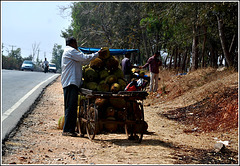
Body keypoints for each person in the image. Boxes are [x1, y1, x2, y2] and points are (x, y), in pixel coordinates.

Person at [61, 37, 106, 137]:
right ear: (73, 43)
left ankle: (70, 129)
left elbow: (84, 61)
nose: (77, 45)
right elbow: (84, 58)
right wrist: (97, 54)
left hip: (72, 83)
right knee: (70, 107)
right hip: (70, 83)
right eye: (76, 43)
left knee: (71, 107)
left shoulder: (70, 52)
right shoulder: (71, 51)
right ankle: (67, 130)